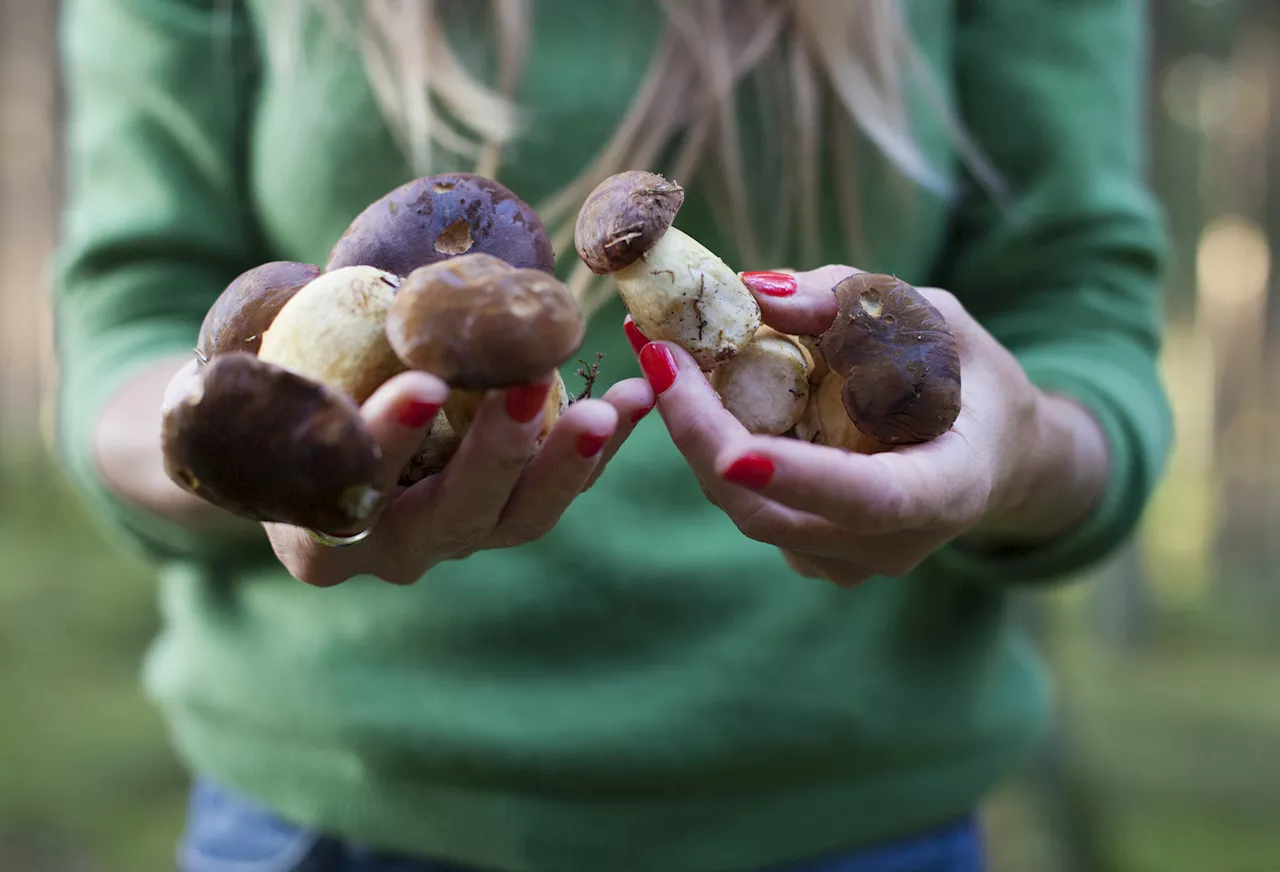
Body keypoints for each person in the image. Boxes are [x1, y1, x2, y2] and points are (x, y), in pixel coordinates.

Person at [51, 1, 1172, 870]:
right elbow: (131, 317)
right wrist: (263, 463)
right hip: (321, 815)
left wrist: (1012, 453)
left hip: (847, 812)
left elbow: (1084, 330)